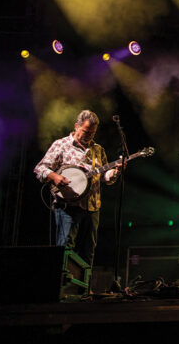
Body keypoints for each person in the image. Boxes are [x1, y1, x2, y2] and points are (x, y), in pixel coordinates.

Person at [33, 110, 122, 266]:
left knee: (89, 249)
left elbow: (104, 177)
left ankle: (84, 288)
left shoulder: (98, 150)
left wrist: (114, 173)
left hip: (92, 207)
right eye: (86, 131)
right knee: (65, 247)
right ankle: (61, 286)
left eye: (92, 133)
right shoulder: (61, 145)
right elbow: (40, 168)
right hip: (68, 206)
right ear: (76, 126)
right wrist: (54, 177)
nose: (89, 135)